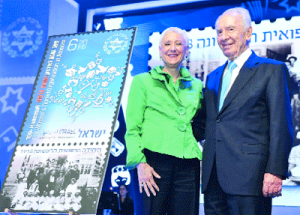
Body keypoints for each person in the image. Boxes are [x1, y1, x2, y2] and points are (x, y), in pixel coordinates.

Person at [194, 7, 293, 214]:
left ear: (248, 32)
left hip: (251, 179)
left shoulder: (272, 69)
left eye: (230, 29)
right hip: (213, 180)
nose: (224, 37)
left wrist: (275, 171)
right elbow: (207, 123)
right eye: (219, 32)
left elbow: (280, 125)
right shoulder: (212, 77)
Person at [125, 27, 204, 214]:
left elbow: (202, 123)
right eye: (167, 44)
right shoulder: (142, 81)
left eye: (179, 44)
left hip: (188, 165)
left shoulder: (197, 85)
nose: (173, 48)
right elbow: (132, 128)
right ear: (160, 51)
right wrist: (140, 163)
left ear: (186, 50)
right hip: (152, 163)